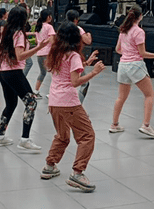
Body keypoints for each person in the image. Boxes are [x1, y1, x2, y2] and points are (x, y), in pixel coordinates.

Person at [40, 22, 106, 192]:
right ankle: (77, 173)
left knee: (62, 135)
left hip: (54, 101)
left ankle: (50, 165)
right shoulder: (73, 55)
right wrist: (93, 73)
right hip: (68, 102)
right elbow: (75, 81)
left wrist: (86, 64)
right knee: (87, 135)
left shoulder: (56, 53)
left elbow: (65, 73)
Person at [0, 6, 51, 150]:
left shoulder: (7, 31)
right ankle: (25, 139)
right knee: (31, 102)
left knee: (11, 104)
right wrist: (38, 48)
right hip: (14, 72)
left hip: (4, 72)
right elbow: (20, 56)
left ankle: (0, 136)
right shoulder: (18, 34)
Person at [110, 5, 154, 138]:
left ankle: (114, 124)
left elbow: (118, 49)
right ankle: (146, 125)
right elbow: (142, 53)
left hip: (123, 66)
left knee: (121, 97)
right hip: (135, 66)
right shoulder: (139, 32)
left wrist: (127, 53)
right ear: (140, 17)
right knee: (149, 95)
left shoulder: (123, 31)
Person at [65, 9, 95, 103]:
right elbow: (87, 41)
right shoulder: (78, 29)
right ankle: (78, 105)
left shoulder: (63, 28)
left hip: (62, 57)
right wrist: (89, 34)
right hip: (74, 57)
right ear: (76, 20)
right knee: (84, 83)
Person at [34, 9, 55, 99]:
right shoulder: (49, 27)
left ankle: (36, 91)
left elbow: (36, 40)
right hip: (47, 53)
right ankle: (53, 93)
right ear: (48, 17)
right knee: (54, 73)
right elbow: (52, 40)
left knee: (42, 73)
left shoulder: (39, 26)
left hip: (39, 53)